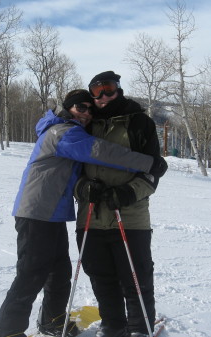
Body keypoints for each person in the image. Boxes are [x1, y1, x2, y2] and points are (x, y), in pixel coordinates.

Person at [0, 89, 160, 337]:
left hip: (52, 214)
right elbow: (101, 151)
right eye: (80, 108)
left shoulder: (69, 131)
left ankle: (53, 320)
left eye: (89, 109)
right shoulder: (63, 132)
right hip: (37, 212)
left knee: (59, 271)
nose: (86, 113)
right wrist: (149, 163)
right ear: (67, 108)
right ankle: (8, 331)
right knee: (31, 272)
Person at [74, 71, 168, 337]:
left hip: (130, 216)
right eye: (97, 91)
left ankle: (139, 328)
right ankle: (113, 326)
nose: (104, 96)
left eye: (109, 88)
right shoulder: (83, 125)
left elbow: (152, 172)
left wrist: (127, 193)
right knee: (101, 277)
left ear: (118, 89)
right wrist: (83, 188)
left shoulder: (140, 123)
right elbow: (68, 173)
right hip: (91, 216)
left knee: (135, 278)